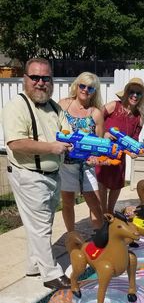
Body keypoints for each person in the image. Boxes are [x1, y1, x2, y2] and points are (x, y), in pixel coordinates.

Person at [2, 57, 72, 290]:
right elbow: (15, 143)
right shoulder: (17, 106)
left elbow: (68, 135)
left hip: (52, 175)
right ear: (25, 79)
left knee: (42, 223)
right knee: (41, 225)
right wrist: (52, 147)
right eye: (35, 77)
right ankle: (50, 274)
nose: (41, 82)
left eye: (46, 78)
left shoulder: (55, 107)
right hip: (29, 174)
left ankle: (33, 265)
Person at [96, 77, 144, 214]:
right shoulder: (113, 106)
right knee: (102, 185)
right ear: (127, 92)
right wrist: (103, 133)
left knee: (116, 186)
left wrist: (133, 151)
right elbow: (94, 119)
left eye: (138, 93)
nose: (134, 95)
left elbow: (134, 139)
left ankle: (110, 213)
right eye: (132, 91)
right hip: (104, 151)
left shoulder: (139, 117)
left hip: (120, 155)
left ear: (141, 97)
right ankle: (103, 213)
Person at [58, 72, 104, 232]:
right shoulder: (63, 105)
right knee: (68, 202)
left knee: (95, 203)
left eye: (90, 88)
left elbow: (100, 143)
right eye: (82, 85)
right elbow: (53, 131)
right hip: (66, 164)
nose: (85, 90)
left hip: (87, 166)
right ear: (76, 86)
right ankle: (72, 236)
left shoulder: (96, 113)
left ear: (94, 91)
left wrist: (95, 157)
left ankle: (100, 238)